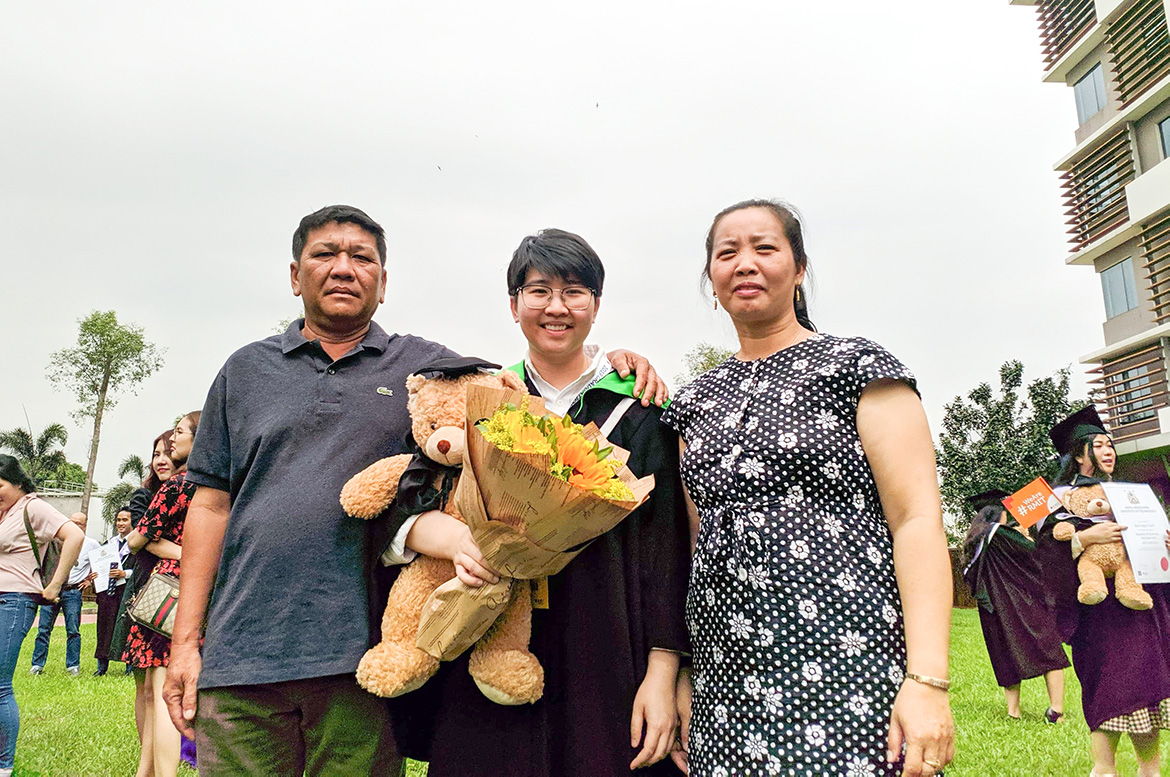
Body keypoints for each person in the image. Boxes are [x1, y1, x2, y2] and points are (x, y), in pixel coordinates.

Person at [164, 205, 666, 775]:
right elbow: (210, 505)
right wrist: (186, 643)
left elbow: (534, 364)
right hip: (243, 654)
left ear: (383, 282)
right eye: (325, 255)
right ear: (294, 273)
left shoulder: (424, 364)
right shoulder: (244, 370)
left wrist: (624, 363)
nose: (344, 269)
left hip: (360, 654)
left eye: (363, 258)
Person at [661, 199, 954, 776]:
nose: (745, 263)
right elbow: (694, 549)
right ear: (711, 278)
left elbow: (917, 518)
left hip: (850, 666)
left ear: (798, 269)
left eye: (764, 248)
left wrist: (926, 681)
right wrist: (687, 675)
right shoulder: (692, 402)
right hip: (727, 683)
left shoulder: (859, 367)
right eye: (728, 253)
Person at [393, 229, 691, 776]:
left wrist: (663, 669)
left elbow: (665, 545)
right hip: (490, 634)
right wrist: (457, 542)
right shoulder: (484, 401)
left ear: (596, 306)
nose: (557, 307)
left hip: (605, 642)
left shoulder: (638, 410)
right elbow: (407, 500)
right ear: (514, 305)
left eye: (575, 292)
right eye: (538, 291)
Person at [1034, 406, 1170, 777]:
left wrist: (1164, 545)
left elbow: (1149, 548)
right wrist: (1082, 538)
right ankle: (1104, 769)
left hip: (1140, 609)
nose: (1109, 451)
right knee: (1108, 690)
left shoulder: (1130, 495)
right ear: (1079, 453)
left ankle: (1150, 771)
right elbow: (1045, 555)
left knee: (1147, 687)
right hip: (1098, 616)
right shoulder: (1056, 499)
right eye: (1099, 444)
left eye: (1110, 444)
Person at [123, 412, 200, 777]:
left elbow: (138, 537)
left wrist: (169, 548)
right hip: (202, 590)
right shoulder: (221, 485)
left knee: (162, 693)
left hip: (165, 596)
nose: (173, 440)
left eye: (181, 432)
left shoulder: (176, 487)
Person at [0, 455, 85, 777]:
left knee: (0, 685)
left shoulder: (32, 507)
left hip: (14, 599)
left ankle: (4, 765)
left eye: (0, 486)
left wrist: (55, 584)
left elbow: (73, 536)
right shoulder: (5, 513)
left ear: (18, 483)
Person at [961, 489, 1067, 722]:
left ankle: (1013, 712)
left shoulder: (975, 539)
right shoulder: (999, 533)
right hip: (1020, 603)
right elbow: (1034, 553)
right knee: (1049, 650)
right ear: (998, 514)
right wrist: (1028, 537)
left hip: (992, 608)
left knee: (1005, 654)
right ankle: (1056, 711)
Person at [109, 430, 175, 777]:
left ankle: (150, 765)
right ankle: (146, 764)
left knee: (160, 685)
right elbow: (145, 542)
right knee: (144, 687)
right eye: (156, 453)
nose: (161, 459)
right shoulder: (143, 497)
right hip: (143, 591)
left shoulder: (186, 490)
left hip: (175, 591)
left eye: (168, 452)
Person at [29, 512, 101, 676]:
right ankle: (37, 665)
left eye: (79, 524)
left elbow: (99, 564)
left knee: (73, 629)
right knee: (43, 629)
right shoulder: (55, 542)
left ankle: (73, 665)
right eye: (72, 522)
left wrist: (89, 580)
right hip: (52, 591)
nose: (75, 526)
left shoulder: (91, 544)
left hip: (73, 591)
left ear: (85, 526)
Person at [93, 506, 133, 676]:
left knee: (127, 626)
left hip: (127, 591)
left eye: (125, 520)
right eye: (118, 520)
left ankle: (129, 666)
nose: (120, 523)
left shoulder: (138, 543)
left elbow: (144, 568)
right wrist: (95, 573)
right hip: (108, 593)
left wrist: (125, 573)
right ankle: (102, 666)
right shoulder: (109, 544)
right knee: (104, 626)